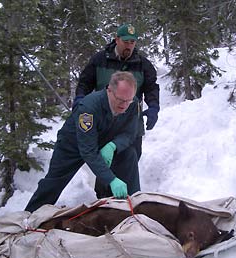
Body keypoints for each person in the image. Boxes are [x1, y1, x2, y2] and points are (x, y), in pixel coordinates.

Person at [25, 71, 140, 212]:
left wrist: (113, 145)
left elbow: (130, 133)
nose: (125, 105)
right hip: (72, 145)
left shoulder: (132, 103)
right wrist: (111, 179)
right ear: (109, 90)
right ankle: (29, 216)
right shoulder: (88, 108)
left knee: (129, 155)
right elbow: (88, 151)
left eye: (129, 101)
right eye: (121, 100)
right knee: (53, 183)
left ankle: (132, 208)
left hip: (105, 141)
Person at [73, 23, 160, 199]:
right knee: (105, 158)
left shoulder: (143, 65)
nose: (129, 45)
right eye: (126, 41)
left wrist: (153, 107)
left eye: (133, 42)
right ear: (117, 39)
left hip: (131, 124)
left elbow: (151, 88)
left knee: (131, 157)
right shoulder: (99, 60)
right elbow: (85, 82)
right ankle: (105, 196)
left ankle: (129, 200)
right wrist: (80, 99)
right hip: (104, 122)